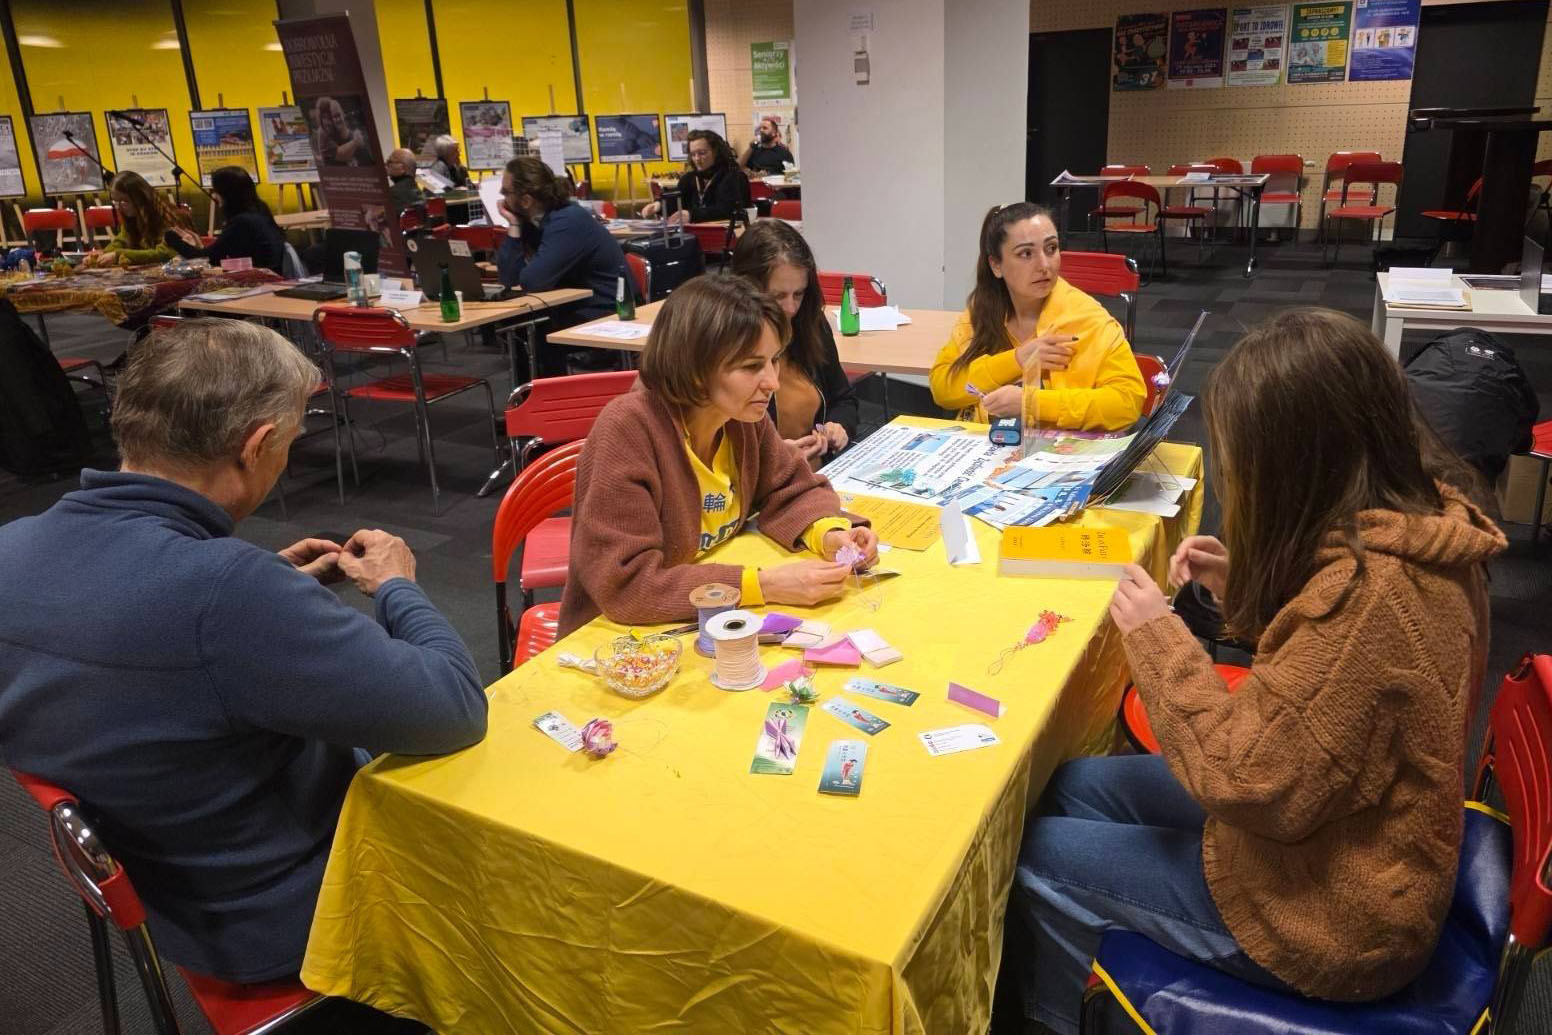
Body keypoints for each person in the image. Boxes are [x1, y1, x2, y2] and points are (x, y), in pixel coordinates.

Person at [1010, 307, 1507, 1034]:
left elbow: (1242, 778)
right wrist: (1243, 584)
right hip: (1331, 832)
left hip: (1333, 919)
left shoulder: (1370, 604)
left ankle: (1064, 1016)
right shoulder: (1421, 526)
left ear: (1298, 466)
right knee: (1071, 786)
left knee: (1037, 854)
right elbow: (1325, 691)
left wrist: (1158, 637)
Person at [0, 318, 488, 985]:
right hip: (286, 912)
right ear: (256, 447)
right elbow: (454, 707)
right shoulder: (228, 593)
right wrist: (397, 586)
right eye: (289, 440)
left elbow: (129, 631)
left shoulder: (13, 547)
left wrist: (272, 587)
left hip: (163, 891)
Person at [559, 275, 877, 636]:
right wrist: (763, 586)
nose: (772, 382)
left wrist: (830, 534)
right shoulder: (629, 430)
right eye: (751, 366)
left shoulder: (739, 416)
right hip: (624, 640)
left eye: (774, 360)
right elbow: (628, 586)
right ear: (695, 371)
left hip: (705, 620)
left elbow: (790, 487)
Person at [930, 202, 1145, 431]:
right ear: (996, 265)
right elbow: (943, 389)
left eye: (1051, 249)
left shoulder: (1088, 318)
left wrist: (1032, 403)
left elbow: (1128, 402)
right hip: (986, 444)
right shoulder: (981, 312)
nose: (1044, 265)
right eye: (1026, 254)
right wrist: (1017, 360)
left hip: (1061, 449)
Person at [729, 219, 858, 465]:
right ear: (746, 289)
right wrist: (774, 456)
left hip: (813, 473)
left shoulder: (810, 324)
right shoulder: (727, 343)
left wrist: (839, 426)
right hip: (760, 480)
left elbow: (843, 398)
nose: (790, 308)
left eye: (798, 294)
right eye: (778, 296)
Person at [496, 155, 629, 374]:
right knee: (521, 325)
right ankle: (536, 393)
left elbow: (532, 281)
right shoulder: (535, 222)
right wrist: (514, 225)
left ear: (526, 200)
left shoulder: (568, 221)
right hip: (575, 304)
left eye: (505, 192)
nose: (501, 199)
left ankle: (545, 392)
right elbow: (509, 278)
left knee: (531, 331)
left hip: (606, 309)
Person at [165, 166, 287, 273]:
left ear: (227, 193)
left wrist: (173, 239)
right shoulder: (260, 210)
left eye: (216, 191)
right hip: (270, 274)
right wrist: (198, 247)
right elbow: (218, 256)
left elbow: (207, 259)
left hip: (261, 279)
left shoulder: (242, 222)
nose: (214, 195)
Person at [640, 129, 750, 224]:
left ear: (716, 152)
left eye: (702, 153)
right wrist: (659, 205)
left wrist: (691, 215)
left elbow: (727, 210)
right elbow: (676, 200)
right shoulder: (689, 178)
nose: (697, 159)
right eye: (693, 154)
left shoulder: (733, 177)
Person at [81, 170, 179, 267]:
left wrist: (118, 255)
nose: (119, 207)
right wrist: (101, 255)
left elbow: (164, 253)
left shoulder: (166, 216)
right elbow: (121, 241)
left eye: (124, 201)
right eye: (115, 201)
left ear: (139, 197)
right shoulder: (132, 217)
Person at [311, 96, 371, 167]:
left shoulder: (356, 140)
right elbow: (337, 154)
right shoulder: (323, 132)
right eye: (324, 117)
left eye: (337, 116)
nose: (328, 122)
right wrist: (355, 142)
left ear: (343, 115)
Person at [385, 147, 424, 211]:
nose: (386, 165)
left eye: (389, 162)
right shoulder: (419, 192)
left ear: (402, 168)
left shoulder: (392, 194)